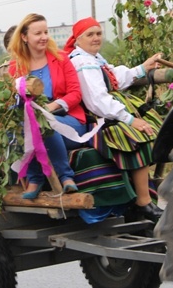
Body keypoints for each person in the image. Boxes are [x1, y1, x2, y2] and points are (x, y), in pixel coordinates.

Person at [64, 17, 164, 221]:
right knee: (136, 137)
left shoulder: (94, 59)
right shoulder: (81, 62)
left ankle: (141, 197)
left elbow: (115, 78)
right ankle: (142, 202)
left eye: (98, 33)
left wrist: (142, 68)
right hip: (98, 120)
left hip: (109, 114)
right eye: (90, 35)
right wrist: (128, 119)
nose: (96, 38)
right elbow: (96, 100)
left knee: (155, 127)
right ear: (78, 40)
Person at [8, 13, 86, 199]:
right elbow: (12, 99)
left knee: (44, 123)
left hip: (68, 119)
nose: (44, 37)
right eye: (38, 33)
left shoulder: (61, 58)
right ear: (25, 37)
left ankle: (65, 177)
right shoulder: (16, 66)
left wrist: (51, 108)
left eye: (46, 32)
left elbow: (75, 93)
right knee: (22, 127)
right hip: (33, 120)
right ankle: (35, 178)